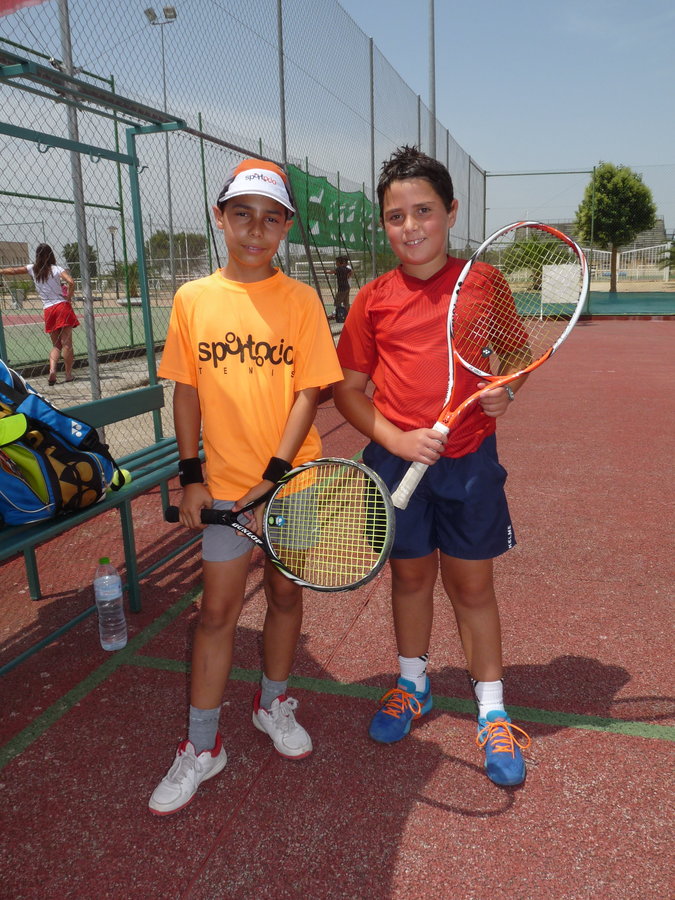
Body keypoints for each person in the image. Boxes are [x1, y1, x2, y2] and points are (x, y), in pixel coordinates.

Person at [150, 158, 343, 816]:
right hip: (225, 491)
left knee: (285, 596)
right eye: (242, 215)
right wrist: (191, 477)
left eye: (270, 219)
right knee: (216, 614)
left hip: (291, 484)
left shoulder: (301, 301)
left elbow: (308, 393)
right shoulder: (192, 299)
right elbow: (185, 391)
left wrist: (274, 477)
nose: (255, 230)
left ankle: (272, 703)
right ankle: (202, 747)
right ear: (220, 218)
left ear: (285, 227)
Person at [334, 145, 531, 787]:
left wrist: (506, 389)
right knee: (411, 579)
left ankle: (492, 710)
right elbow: (348, 391)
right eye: (396, 216)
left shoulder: (484, 283)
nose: (411, 226)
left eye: (424, 211)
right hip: (397, 468)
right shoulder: (373, 299)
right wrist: (397, 440)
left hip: (470, 462)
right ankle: (412, 683)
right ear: (383, 225)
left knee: (472, 587)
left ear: (450, 211)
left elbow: (514, 358)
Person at [0, 244, 78, 385]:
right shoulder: (56, 269)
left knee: (56, 345)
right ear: (51, 255)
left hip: (48, 309)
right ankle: (68, 375)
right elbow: (71, 282)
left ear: (37, 256)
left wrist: (1, 271)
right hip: (62, 306)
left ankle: (52, 369)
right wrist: (69, 296)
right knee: (67, 343)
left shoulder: (32, 269)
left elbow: (13, 270)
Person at [331, 256, 352, 323]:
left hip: (342, 288)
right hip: (346, 287)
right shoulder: (345, 268)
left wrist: (326, 272)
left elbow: (333, 272)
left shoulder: (339, 268)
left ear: (339, 262)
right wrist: (348, 276)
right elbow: (350, 272)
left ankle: (340, 314)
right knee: (346, 302)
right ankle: (348, 316)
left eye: (336, 262)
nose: (336, 263)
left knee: (337, 302)